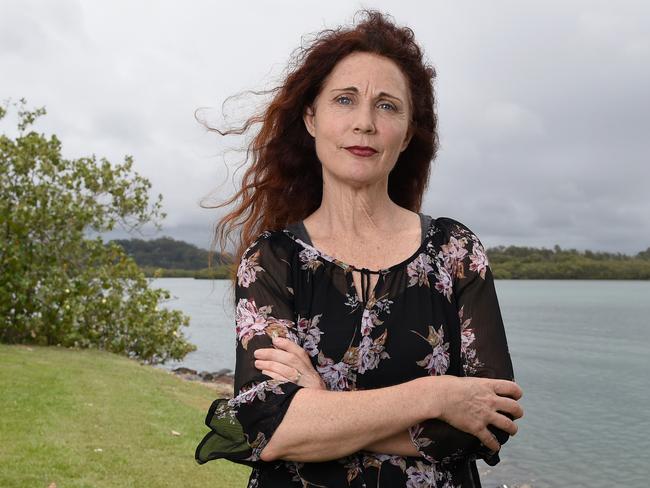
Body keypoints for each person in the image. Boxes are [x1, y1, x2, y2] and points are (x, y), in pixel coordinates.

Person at [195, 10, 523, 487]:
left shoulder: (456, 251)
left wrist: (322, 406)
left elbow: (489, 424)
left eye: (388, 106)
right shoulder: (272, 260)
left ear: (408, 132)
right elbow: (272, 426)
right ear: (312, 117)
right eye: (345, 100)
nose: (365, 123)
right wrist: (438, 395)